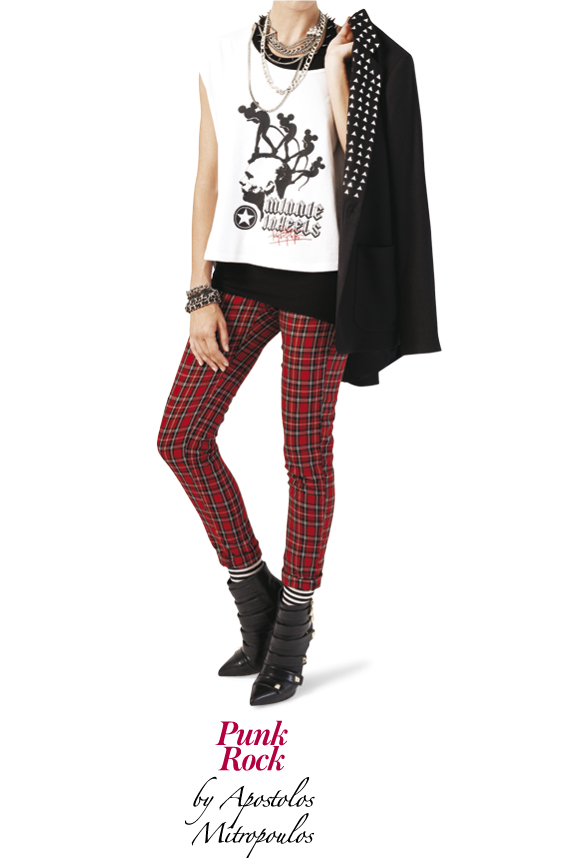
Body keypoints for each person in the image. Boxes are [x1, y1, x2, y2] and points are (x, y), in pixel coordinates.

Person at [158, 3, 440, 705]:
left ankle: (292, 628)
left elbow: (363, 176)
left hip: (321, 286)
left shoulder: (351, 51)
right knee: (181, 438)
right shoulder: (223, 52)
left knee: (305, 456)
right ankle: (255, 596)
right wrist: (198, 291)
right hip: (238, 282)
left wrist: (338, 77)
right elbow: (208, 176)